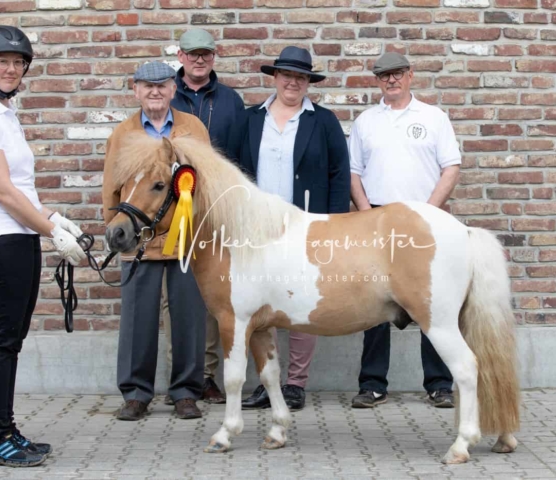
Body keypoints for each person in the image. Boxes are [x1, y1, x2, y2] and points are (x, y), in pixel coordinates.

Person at [227, 46, 350, 411]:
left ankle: (295, 383)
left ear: (308, 82)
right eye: (286, 75)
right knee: (262, 304)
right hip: (257, 229)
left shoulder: (323, 121)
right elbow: (232, 171)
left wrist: (333, 226)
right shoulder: (251, 120)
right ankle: (269, 380)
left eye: (300, 77)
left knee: (299, 301)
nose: (292, 82)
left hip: (305, 227)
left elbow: (339, 175)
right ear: (275, 78)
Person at [0, 26, 87, 467]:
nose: (11, 69)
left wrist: (53, 219)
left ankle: (3, 427)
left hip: (21, 234)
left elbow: (22, 189)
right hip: (2, 236)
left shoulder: (5, 112)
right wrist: (52, 234)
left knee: (11, 340)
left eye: (18, 63)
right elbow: (2, 191)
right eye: (2, 61)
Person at [348, 52, 461, 409]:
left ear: (411, 75)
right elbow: (354, 172)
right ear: (377, 81)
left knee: (430, 301)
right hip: (378, 218)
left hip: (424, 218)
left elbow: (451, 167)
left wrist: (429, 212)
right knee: (375, 302)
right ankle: (373, 384)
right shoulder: (366, 121)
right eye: (384, 75)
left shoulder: (433, 117)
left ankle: (440, 384)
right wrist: (366, 215)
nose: (391, 80)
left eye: (397, 74)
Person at [102, 62, 209, 421]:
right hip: (140, 240)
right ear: (135, 90)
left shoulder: (192, 128)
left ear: (173, 89)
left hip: (184, 237)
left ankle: (186, 392)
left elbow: (204, 182)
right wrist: (116, 230)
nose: (155, 92)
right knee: (137, 319)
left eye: (161, 86)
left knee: (189, 317)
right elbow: (111, 189)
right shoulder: (123, 133)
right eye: (147, 86)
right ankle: (135, 394)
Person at [160, 29, 245, 405]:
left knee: (213, 293)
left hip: (218, 210)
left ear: (215, 55)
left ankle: (207, 376)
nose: (199, 59)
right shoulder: (165, 94)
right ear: (179, 55)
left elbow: (241, 156)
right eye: (192, 53)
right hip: (173, 210)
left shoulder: (230, 100)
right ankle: (178, 377)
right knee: (173, 295)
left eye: (205, 53)